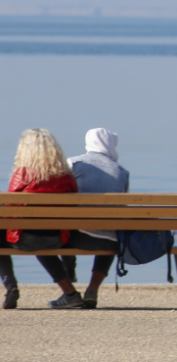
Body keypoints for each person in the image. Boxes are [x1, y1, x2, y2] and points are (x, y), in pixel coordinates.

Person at [42, 128, 129, 309]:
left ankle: (69, 291)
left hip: (77, 238)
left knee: (43, 238)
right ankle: (92, 290)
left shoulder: (74, 163)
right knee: (110, 231)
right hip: (111, 243)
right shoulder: (122, 172)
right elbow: (123, 208)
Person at [0, 129, 78, 309]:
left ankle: (11, 286)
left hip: (24, 239)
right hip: (57, 239)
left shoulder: (22, 175)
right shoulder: (66, 176)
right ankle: (70, 293)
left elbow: (10, 210)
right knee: (42, 238)